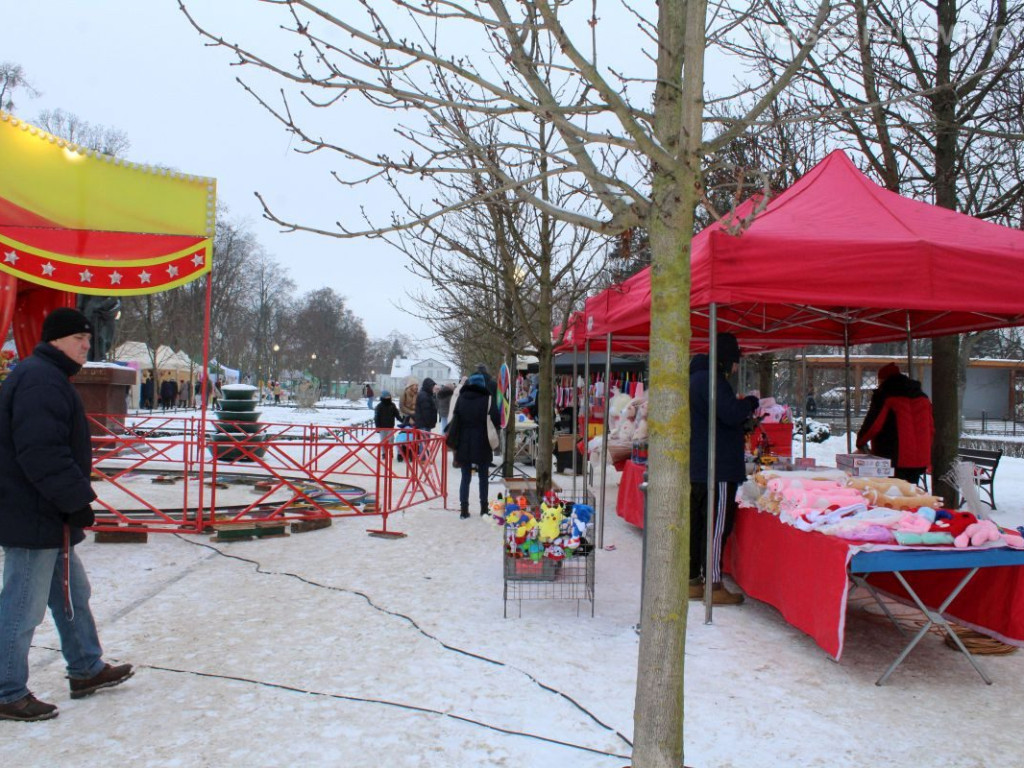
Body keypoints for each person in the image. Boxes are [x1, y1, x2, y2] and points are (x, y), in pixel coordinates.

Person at [0, 307, 134, 722]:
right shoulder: (40, 380)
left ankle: (86, 667)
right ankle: (6, 690)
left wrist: (70, 502)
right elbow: (42, 452)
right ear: (56, 339)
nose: (86, 346)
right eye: (79, 339)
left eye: (88, 339)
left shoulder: (48, 376)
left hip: (47, 512)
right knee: (23, 605)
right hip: (33, 514)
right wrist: (75, 499)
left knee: (73, 594)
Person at [689, 332, 759, 606]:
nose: (737, 368)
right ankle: (713, 584)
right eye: (736, 362)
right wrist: (750, 403)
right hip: (716, 466)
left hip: (700, 464)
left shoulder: (697, 378)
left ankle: (693, 580)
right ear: (727, 359)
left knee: (698, 525)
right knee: (716, 527)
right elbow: (729, 413)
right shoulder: (712, 380)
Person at [856, 362, 934, 484]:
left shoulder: (885, 396)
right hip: (920, 458)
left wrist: (861, 441)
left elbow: (874, 424)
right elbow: (931, 428)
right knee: (911, 490)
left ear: (883, 380)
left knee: (895, 491)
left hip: (896, 457)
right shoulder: (923, 397)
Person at [449, 372, 500, 519]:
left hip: (464, 441)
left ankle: (464, 510)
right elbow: (496, 421)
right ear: (483, 384)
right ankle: (484, 508)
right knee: (483, 477)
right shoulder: (488, 399)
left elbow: (456, 418)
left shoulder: (461, 398)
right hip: (483, 441)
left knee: (465, 477)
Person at [373, 390, 405, 462]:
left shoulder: (392, 405)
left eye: (389, 396)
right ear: (383, 397)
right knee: (383, 440)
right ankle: (384, 453)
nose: (388, 398)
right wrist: (377, 427)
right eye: (386, 397)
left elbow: (397, 414)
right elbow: (376, 417)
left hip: (390, 426)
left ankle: (390, 451)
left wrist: (402, 421)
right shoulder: (379, 406)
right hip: (382, 427)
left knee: (391, 439)